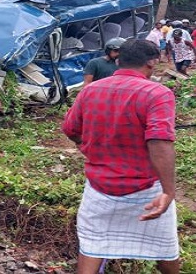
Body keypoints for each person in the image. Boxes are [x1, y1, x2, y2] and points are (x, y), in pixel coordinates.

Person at [62, 39, 179, 274]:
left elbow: (71, 129)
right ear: (152, 62)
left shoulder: (91, 91)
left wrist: (85, 147)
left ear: (119, 60)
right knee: (164, 247)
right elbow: (158, 141)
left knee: (93, 245)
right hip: (146, 188)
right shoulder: (157, 93)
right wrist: (168, 191)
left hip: (99, 187)